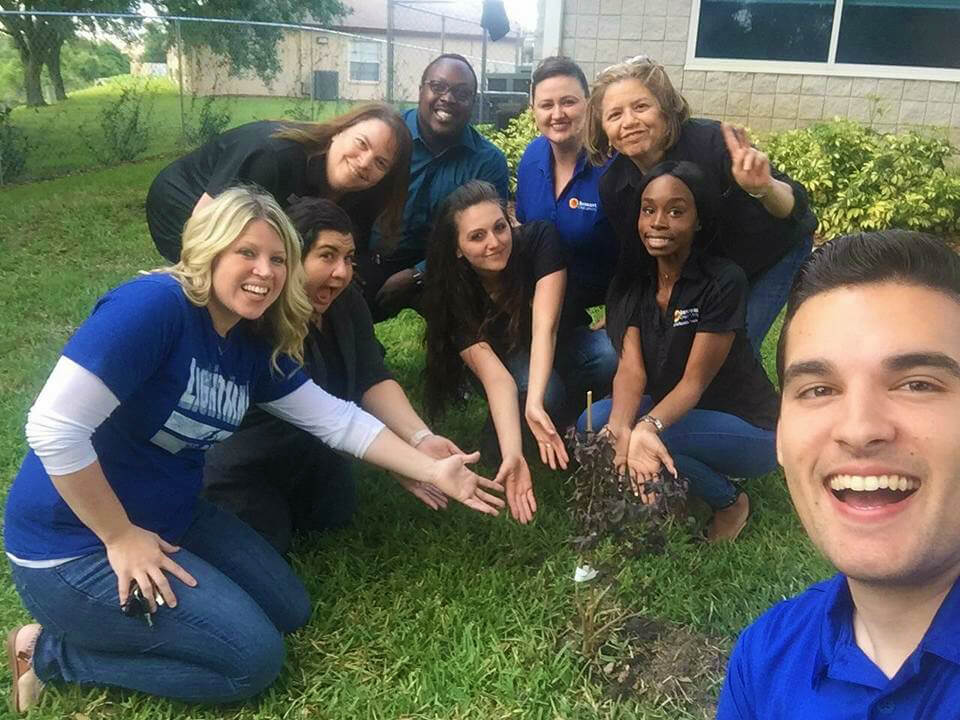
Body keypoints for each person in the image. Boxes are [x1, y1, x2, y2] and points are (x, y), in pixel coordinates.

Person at [3, 187, 503, 713]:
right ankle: (48, 653)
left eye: (278, 258)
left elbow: (336, 419)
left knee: (288, 608)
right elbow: (54, 428)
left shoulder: (250, 338)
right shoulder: (154, 307)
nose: (265, 271)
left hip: (170, 518)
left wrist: (434, 467)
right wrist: (119, 535)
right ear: (210, 249)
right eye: (247, 252)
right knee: (250, 661)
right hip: (73, 543)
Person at [717, 230, 960, 718]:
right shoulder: (764, 659)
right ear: (781, 438)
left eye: (916, 383)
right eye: (819, 389)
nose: (859, 428)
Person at [203, 197, 463, 554]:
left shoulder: (346, 301)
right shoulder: (260, 323)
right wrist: (402, 463)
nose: (343, 272)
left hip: (316, 454)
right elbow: (324, 418)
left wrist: (419, 439)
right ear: (293, 258)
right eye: (327, 256)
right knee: (266, 544)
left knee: (333, 516)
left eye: (349, 258)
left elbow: (372, 377)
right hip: (250, 461)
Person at [581, 161, 779, 541]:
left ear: (699, 220)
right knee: (594, 428)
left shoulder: (723, 281)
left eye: (676, 211)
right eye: (648, 209)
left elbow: (694, 382)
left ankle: (729, 501)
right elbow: (631, 371)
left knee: (656, 438)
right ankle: (677, 486)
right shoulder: (633, 281)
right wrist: (620, 427)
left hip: (748, 425)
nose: (658, 222)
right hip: (683, 410)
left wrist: (645, 427)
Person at [586, 56, 818, 352]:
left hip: (771, 255)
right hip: (712, 268)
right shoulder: (615, 185)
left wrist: (764, 188)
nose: (629, 122)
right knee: (685, 348)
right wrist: (623, 308)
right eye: (614, 115)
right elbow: (638, 256)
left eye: (641, 107)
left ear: (665, 109)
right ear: (603, 129)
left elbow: (794, 208)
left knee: (734, 348)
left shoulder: (712, 143)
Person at [423, 180, 617, 524]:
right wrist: (513, 454)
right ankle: (515, 433)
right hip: (506, 363)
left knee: (607, 354)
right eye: (476, 236)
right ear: (457, 248)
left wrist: (533, 405)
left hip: (560, 342)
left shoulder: (540, 240)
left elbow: (547, 327)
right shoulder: (452, 291)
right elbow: (496, 379)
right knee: (543, 390)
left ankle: (556, 420)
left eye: (500, 227)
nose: (494, 242)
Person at [146, 103, 412, 263]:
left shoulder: (366, 193)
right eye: (362, 143)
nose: (365, 162)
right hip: (185, 203)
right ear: (339, 131)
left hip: (254, 210)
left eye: (380, 163)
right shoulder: (273, 156)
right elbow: (204, 225)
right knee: (236, 267)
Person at [356, 53, 510, 321]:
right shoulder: (388, 135)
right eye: (438, 87)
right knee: (337, 293)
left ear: (473, 103)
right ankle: (360, 352)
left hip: (447, 264)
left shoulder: (487, 160)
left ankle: (453, 357)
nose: (447, 98)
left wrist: (419, 273)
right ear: (421, 90)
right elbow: (350, 198)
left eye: (461, 93)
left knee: (471, 314)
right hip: (376, 254)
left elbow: (486, 233)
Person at [515, 56, 619, 315]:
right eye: (546, 105)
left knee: (605, 354)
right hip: (543, 300)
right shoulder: (531, 157)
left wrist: (622, 313)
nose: (557, 114)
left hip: (602, 303)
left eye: (568, 102)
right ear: (533, 110)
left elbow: (642, 254)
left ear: (589, 103)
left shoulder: (615, 163)